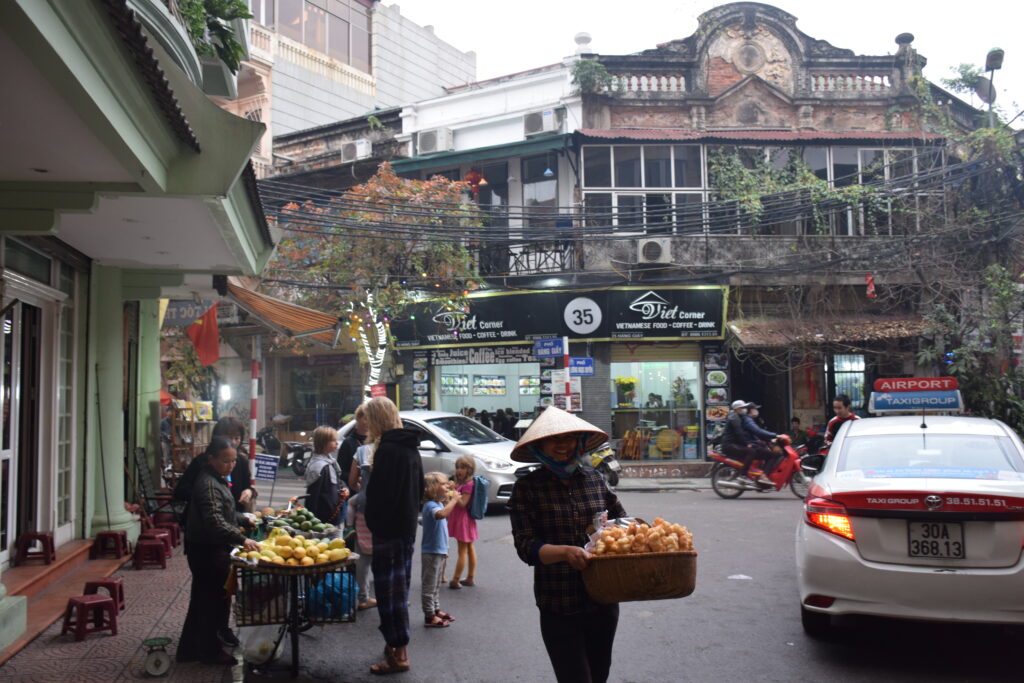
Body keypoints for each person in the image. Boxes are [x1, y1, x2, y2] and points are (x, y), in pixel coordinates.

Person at [508, 407, 626, 683]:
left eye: (569, 438)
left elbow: (624, 522)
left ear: (579, 442)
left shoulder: (596, 480)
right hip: (558, 602)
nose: (562, 446)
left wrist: (618, 532)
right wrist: (565, 552)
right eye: (553, 439)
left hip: (603, 599)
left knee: (599, 675)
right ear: (540, 445)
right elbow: (526, 547)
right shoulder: (527, 488)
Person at [176, 437, 260, 665]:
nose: (230, 465)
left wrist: (242, 518)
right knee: (210, 602)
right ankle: (208, 651)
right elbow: (214, 521)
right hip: (207, 550)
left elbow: (224, 512)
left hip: (209, 547)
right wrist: (242, 539)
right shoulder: (208, 484)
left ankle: (188, 650)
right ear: (210, 458)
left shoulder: (216, 479)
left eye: (233, 461)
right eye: (225, 461)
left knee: (202, 601)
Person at [363, 397, 424, 675]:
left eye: (367, 418)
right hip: (405, 529)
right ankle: (396, 646)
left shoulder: (389, 449)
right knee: (399, 589)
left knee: (390, 593)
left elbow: (381, 496)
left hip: (389, 532)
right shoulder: (408, 447)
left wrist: (373, 522)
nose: (364, 425)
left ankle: (399, 654)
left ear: (377, 419)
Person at [173, 416, 255, 517]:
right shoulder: (201, 461)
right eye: (229, 438)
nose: (233, 442)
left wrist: (248, 491)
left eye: (237, 438)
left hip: (235, 517)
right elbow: (181, 492)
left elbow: (247, 486)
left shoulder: (242, 461)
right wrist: (210, 498)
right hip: (204, 518)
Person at [421, 472, 459, 628]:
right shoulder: (431, 506)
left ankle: (435, 609)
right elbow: (441, 515)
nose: (447, 487)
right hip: (431, 552)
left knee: (436, 584)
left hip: (439, 550)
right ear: (432, 488)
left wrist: (450, 496)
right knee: (429, 586)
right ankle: (429, 615)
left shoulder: (439, 504)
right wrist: (455, 500)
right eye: (443, 484)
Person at [720, 400, 777, 487]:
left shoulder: (737, 417)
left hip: (733, 444)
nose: (744, 410)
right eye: (742, 408)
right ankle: (743, 475)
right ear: (737, 409)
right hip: (729, 445)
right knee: (751, 451)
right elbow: (739, 433)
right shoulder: (734, 418)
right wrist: (746, 443)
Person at [304, 426, 350, 526]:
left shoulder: (330, 461)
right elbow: (312, 497)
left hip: (336, 515)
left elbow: (338, 481)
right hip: (325, 520)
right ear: (323, 443)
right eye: (333, 440)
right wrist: (312, 521)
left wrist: (344, 488)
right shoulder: (318, 466)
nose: (337, 443)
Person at [447, 455, 478, 589]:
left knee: (462, 550)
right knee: (469, 548)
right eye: (458, 467)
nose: (459, 470)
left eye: (463, 467)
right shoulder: (464, 483)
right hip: (464, 519)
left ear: (470, 469)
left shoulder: (468, 485)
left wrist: (453, 492)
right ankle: (470, 577)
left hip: (463, 520)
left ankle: (456, 579)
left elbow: (462, 504)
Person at [337, 404, 367, 488]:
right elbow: (341, 471)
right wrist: (356, 478)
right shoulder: (348, 443)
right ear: (358, 419)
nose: (369, 422)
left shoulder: (375, 441)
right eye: (366, 418)